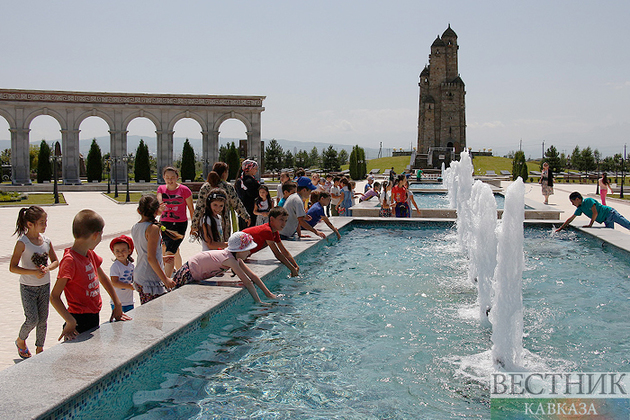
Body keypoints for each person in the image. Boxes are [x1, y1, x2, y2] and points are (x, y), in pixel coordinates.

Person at [50, 210, 131, 341]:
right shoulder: (70, 261)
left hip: (93, 315)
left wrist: (117, 303)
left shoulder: (90, 254)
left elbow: (103, 278)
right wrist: (70, 321)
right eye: (101, 235)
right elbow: (54, 297)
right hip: (77, 320)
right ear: (95, 235)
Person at [171, 232, 278, 305]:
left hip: (194, 270)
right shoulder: (230, 260)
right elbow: (248, 282)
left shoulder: (235, 258)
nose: (250, 252)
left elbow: (253, 276)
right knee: (173, 294)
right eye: (248, 250)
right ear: (239, 251)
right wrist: (258, 302)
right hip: (188, 272)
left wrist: (269, 294)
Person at [9, 206, 59, 358]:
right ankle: (20, 340)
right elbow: (13, 267)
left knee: (43, 320)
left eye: (46, 222)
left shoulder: (46, 241)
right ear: (30, 224)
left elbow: (56, 261)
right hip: (27, 287)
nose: (45, 225)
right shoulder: (22, 243)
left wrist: (48, 268)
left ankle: (39, 349)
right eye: (42, 222)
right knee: (32, 319)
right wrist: (33, 272)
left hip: (44, 286)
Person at [131, 195, 178, 304]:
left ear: (139, 211)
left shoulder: (135, 227)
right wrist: (165, 279)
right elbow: (151, 258)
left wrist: (161, 258)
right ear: (157, 211)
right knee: (154, 313)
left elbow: (142, 252)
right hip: (150, 277)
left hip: (140, 274)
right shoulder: (153, 229)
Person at [192, 162, 250, 242]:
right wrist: (246, 216)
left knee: (210, 244)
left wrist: (194, 224)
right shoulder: (227, 187)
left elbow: (199, 207)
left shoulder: (205, 187)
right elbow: (236, 204)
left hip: (208, 221)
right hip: (224, 222)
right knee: (223, 246)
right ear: (224, 173)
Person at [157, 166, 194, 277]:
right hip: (165, 223)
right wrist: (160, 205)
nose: (170, 180)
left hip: (179, 225)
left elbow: (191, 209)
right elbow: (159, 199)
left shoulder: (184, 190)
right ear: (163, 177)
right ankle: (180, 272)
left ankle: (167, 279)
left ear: (177, 177)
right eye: (167, 177)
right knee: (168, 248)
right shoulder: (161, 189)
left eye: (172, 177)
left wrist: (194, 226)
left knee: (170, 252)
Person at [243, 206, 300, 276]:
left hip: (243, 253)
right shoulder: (267, 230)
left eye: (285, 221)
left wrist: (295, 265)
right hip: (237, 251)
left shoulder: (274, 231)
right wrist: (292, 269)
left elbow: (284, 251)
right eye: (281, 220)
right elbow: (277, 254)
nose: (284, 223)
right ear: (272, 219)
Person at [556, 191, 630, 232]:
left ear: (578, 199)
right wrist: (560, 228)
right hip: (606, 220)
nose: (572, 204)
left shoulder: (588, 201)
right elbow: (571, 218)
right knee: (611, 234)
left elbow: (595, 213)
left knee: (627, 224)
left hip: (610, 213)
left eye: (573, 202)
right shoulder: (580, 208)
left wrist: (590, 225)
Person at [108, 236, 135, 314]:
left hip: (129, 301)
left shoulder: (131, 266)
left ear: (129, 251)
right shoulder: (115, 266)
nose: (120, 253)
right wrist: (130, 286)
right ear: (113, 252)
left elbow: (134, 279)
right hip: (117, 302)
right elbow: (114, 282)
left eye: (123, 250)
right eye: (117, 251)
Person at [235, 159, 261, 230]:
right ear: (249, 169)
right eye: (255, 168)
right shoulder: (250, 182)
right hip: (251, 211)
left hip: (242, 211)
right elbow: (254, 195)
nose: (256, 170)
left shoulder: (239, 180)